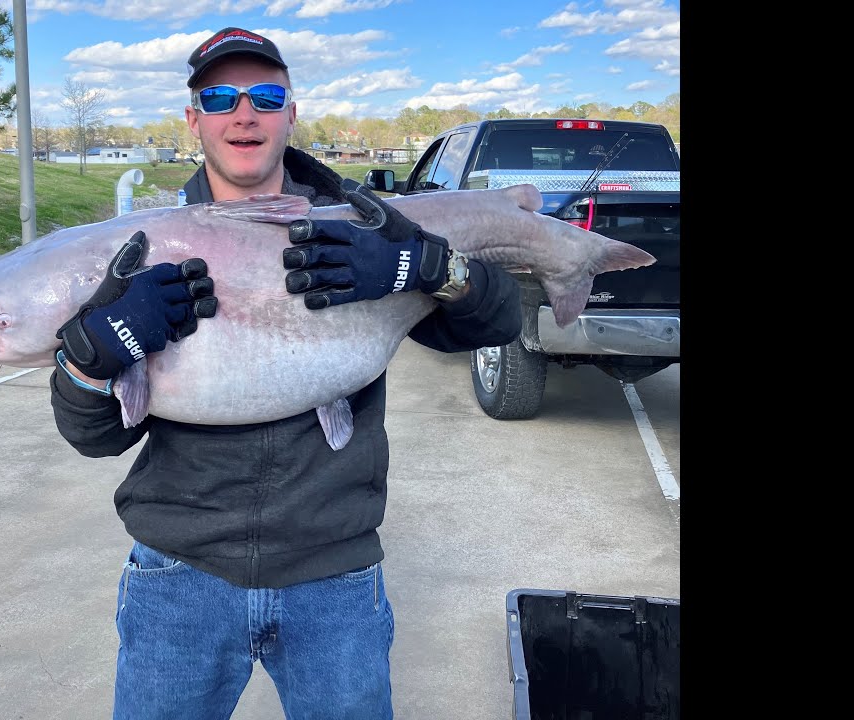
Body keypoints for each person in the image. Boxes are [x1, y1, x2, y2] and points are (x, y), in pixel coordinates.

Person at [48, 26, 522, 720]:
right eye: (221, 98)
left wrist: (425, 265)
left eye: (265, 97)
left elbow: (495, 322)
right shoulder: (143, 249)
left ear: (291, 114)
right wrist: (93, 355)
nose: (245, 114)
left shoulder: (360, 226)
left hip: (336, 579)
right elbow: (93, 435)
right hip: (179, 577)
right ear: (194, 119)